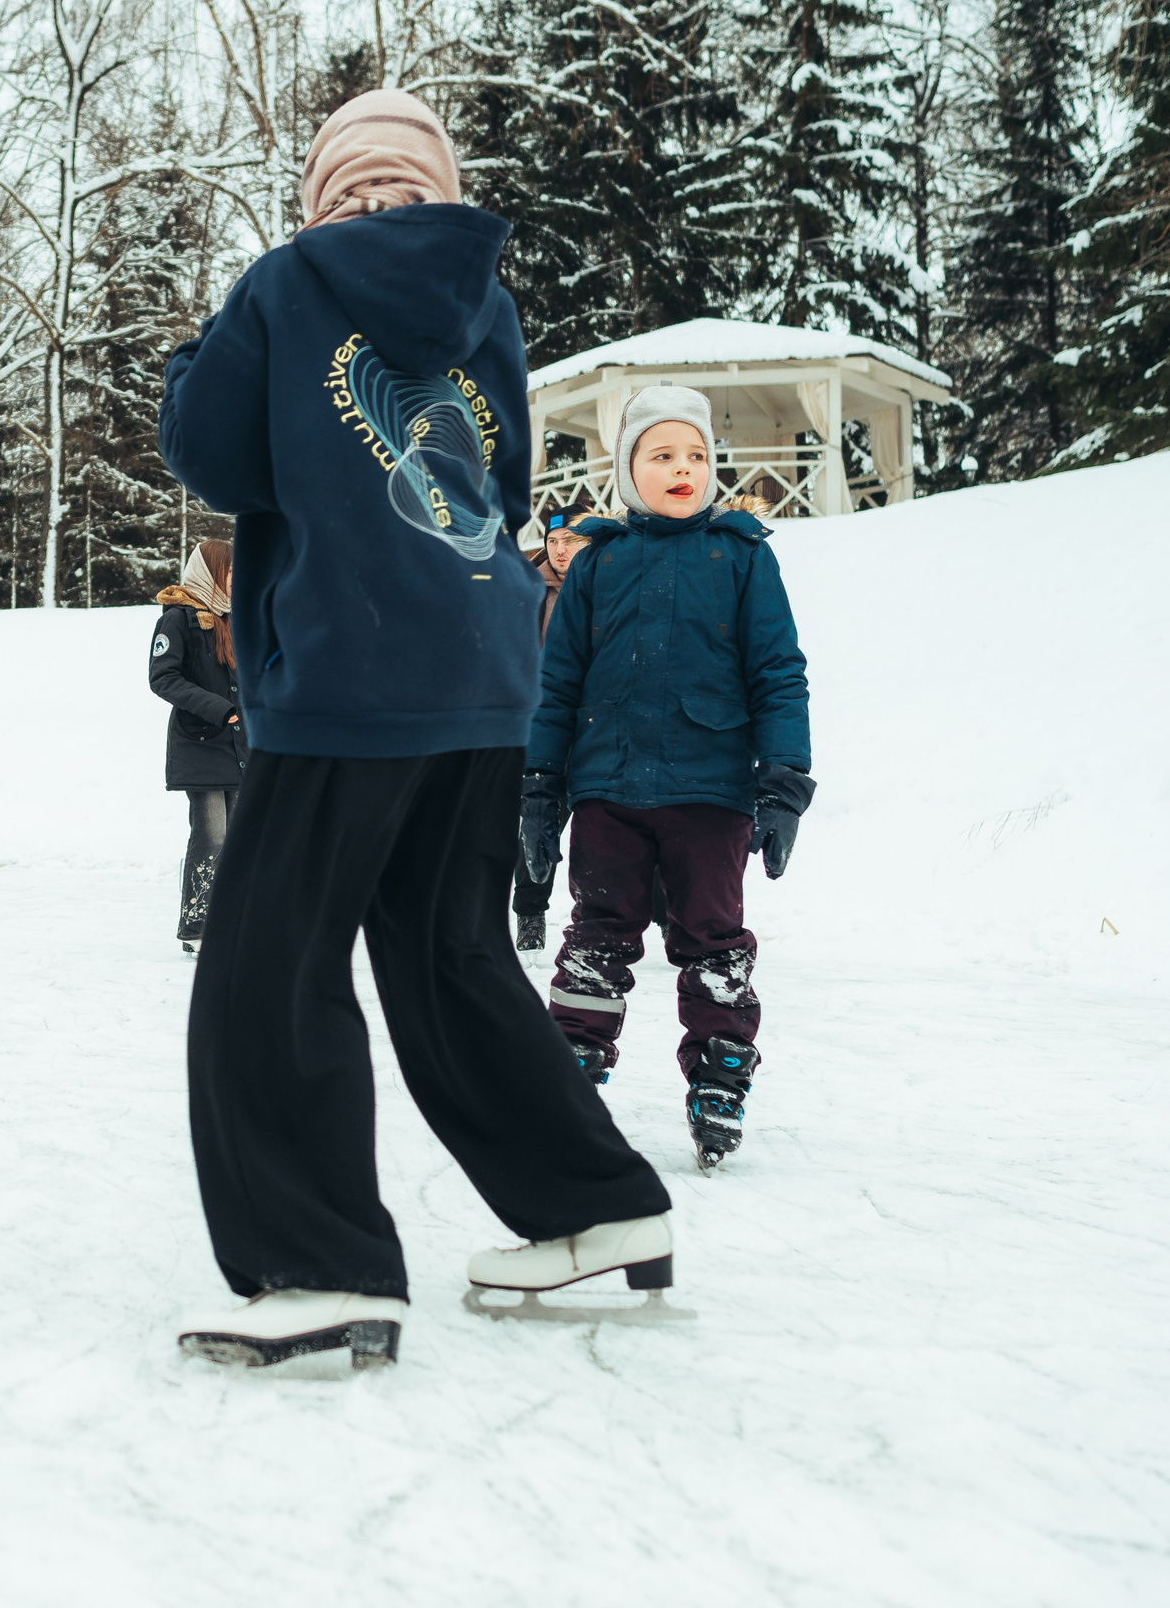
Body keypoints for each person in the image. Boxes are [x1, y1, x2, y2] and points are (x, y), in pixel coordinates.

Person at [154, 89, 674, 1375]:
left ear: (328, 191)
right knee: (448, 959)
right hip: (481, 666)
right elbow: (496, 484)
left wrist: (200, 354)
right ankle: (596, 1206)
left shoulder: (285, 285)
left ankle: (318, 1262)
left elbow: (210, 454)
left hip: (347, 669)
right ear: (434, 185)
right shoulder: (480, 296)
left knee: (266, 968)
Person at [523, 384, 814, 1172]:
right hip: (610, 792)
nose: (682, 468)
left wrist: (783, 780)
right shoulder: (599, 562)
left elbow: (779, 673)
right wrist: (541, 788)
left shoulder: (743, 556)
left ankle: (720, 1077)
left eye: (696, 455)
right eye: (662, 455)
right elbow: (558, 685)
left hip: (710, 796)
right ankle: (573, 1074)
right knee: (594, 938)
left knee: (713, 942)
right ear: (628, 468)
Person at [148, 538, 246, 953]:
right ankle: (197, 927)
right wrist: (218, 709)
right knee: (211, 836)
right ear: (210, 571)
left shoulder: (233, 618)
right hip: (200, 743)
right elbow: (163, 678)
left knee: (239, 839)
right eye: (229, 570)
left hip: (240, 747)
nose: (235, 578)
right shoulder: (179, 619)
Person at [511, 505, 596, 951]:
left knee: (620, 827)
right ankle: (530, 915)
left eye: (572, 541)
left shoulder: (611, 584)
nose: (560, 550)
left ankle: (660, 916)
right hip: (544, 723)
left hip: (600, 725)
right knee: (539, 818)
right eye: (554, 541)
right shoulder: (527, 589)